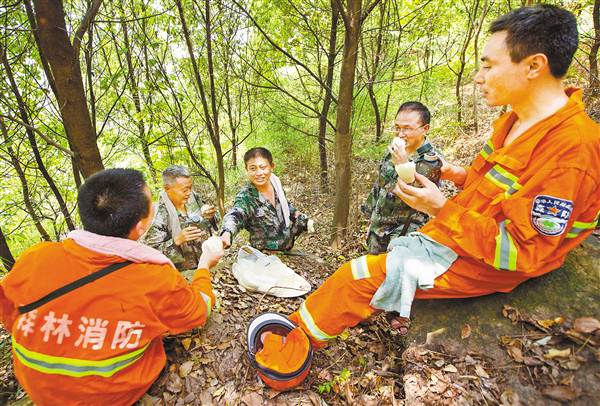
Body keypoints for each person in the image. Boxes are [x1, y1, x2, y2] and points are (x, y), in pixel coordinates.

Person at [255, 3, 600, 373]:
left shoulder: (572, 150)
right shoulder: (514, 121)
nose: (479, 78)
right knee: (363, 271)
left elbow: (521, 252)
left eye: (489, 65)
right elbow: (494, 184)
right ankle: (299, 329)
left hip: (490, 260)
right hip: (460, 231)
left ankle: (289, 356)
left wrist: (441, 210)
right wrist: (451, 175)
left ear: (534, 65)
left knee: (354, 277)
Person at [0, 169, 225, 405]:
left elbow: (10, 314)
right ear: (140, 226)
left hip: (37, 388)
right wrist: (204, 264)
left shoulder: (35, 257)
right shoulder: (154, 277)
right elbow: (199, 311)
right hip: (112, 394)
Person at [362, 101, 444, 254]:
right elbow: (380, 184)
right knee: (372, 273)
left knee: (394, 274)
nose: (400, 134)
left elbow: (421, 198)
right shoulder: (394, 150)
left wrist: (403, 163)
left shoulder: (432, 160)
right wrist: (369, 214)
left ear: (425, 129)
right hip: (378, 229)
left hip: (405, 232)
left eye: (407, 128)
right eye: (398, 127)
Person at [220, 147, 312, 251]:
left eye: (263, 167)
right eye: (253, 168)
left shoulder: (275, 183)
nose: (259, 173)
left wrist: (295, 213)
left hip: (287, 248)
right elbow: (236, 214)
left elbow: (284, 204)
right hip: (264, 257)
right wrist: (226, 232)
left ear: (272, 167)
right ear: (247, 170)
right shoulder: (246, 196)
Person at [143, 165, 218, 272]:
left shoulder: (193, 197)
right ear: (167, 188)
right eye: (184, 190)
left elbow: (212, 222)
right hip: (181, 275)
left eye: (190, 188)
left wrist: (211, 216)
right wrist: (176, 241)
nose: (189, 193)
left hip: (207, 265)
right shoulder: (158, 215)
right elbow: (149, 254)